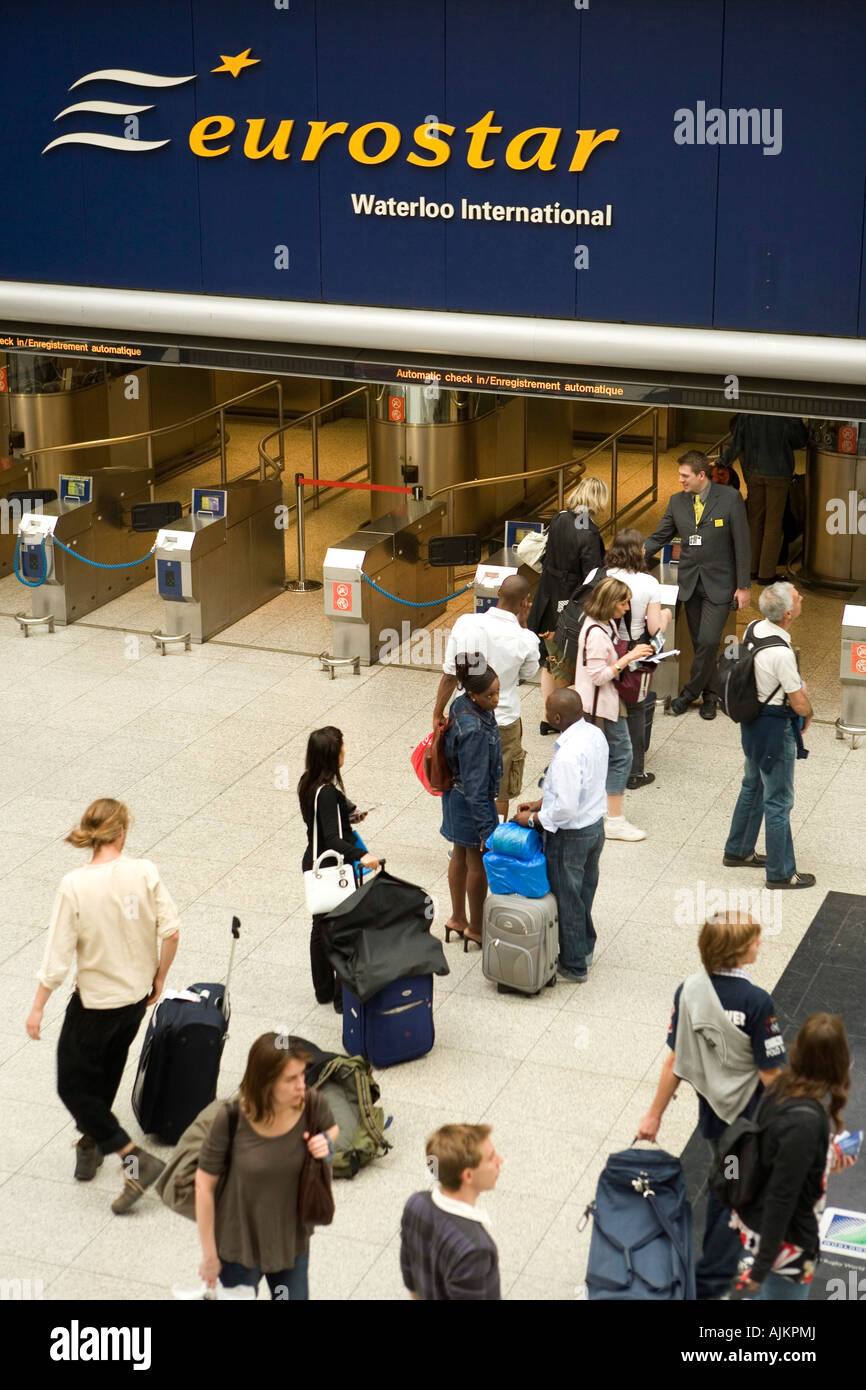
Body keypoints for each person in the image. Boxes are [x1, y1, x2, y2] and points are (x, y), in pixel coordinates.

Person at [25, 798, 180, 1213]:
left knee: (72, 1085)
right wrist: (159, 979)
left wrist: (38, 1005)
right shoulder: (144, 872)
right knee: (107, 1071)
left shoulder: (75, 885)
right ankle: (92, 1141)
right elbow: (172, 931)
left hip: (93, 1005)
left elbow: (57, 958)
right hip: (134, 1001)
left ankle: (134, 1160)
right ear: (123, 832)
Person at [637, 913, 786, 1300]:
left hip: (713, 1116)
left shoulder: (688, 992)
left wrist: (654, 1114)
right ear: (737, 950)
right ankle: (713, 1278)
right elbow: (771, 1075)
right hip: (746, 1122)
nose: (759, 945)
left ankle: (722, 1258)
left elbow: (675, 1059)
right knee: (734, 1193)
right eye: (754, 940)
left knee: (728, 1181)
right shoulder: (757, 1003)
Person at [196, 1033, 338, 1301]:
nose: (301, 1085)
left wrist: (326, 1141)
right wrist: (209, 1255)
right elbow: (203, 1186)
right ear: (265, 1082)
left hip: (291, 1241)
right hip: (239, 1247)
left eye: (302, 1075)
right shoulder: (231, 1119)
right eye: (291, 1079)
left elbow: (332, 1127)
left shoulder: (311, 1104)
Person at [730, 1013, 856, 1301]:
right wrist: (762, 1266)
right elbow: (782, 1196)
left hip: (756, 1220)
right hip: (785, 1241)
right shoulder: (809, 1123)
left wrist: (825, 1160)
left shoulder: (779, 1088)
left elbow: (771, 1157)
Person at [645, 450, 751, 720]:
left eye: (685, 476)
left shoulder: (730, 499)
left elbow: (742, 544)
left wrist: (744, 586)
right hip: (690, 583)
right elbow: (659, 536)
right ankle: (711, 696)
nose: (680, 480)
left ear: (701, 475)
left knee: (708, 640)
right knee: (699, 644)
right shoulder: (677, 502)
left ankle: (689, 693)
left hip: (721, 584)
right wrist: (627, 557)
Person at [723, 582, 815, 889]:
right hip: (775, 730)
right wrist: (808, 709)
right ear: (788, 613)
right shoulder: (781, 653)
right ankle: (780, 872)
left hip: (752, 724)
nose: (801, 597)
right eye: (797, 596)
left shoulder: (753, 628)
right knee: (779, 800)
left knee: (752, 785)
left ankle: (738, 849)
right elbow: (799, 703)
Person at [513, 687, 608, 982]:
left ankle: (573, 963)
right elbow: (581, 787)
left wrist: (533, 819)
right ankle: (585, 948)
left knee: (567, 899)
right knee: (583, 893)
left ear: (556, 717)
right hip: (594, 827)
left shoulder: (567, 754)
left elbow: (565, 809)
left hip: (570, 836)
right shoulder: (594, 735)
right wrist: (541, 801)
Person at [433, 573, 539, 818]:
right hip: (505, 718)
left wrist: (438, 712)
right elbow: (527, 673)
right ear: (525, 602)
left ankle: (464, 835)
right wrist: (523, 626)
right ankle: (493, 839)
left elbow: (450, 675)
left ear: (498, 593)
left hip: (464, 715)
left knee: (465, 776)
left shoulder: (466, 623)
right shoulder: (526, 639)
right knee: (500, 786)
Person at [299, 727, 380, 1012]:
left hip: (314, 860)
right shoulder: (329, 793)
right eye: (341, 749)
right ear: (332, 756)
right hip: (333, 867)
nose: (345, 752)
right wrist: (362, 855)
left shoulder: (306, 783)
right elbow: (332, 837)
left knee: (320, 928)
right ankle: (340, 997)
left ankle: (322, 989)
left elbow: (321, 823)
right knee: (343, 930)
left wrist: (349, 817)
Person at [571, 575, 654, 841]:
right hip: (601, 705)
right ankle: (614, 819)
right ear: (610, 603)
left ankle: (599, 809)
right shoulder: (596, 632)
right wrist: (628, 658)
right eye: (624, 603)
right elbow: (597, 675)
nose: (627, 609)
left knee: (609, 756)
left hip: (606, 701)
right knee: (622, 756)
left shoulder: (604, 624)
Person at [527, 476, 609, 735]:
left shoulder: (559, 518)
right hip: (570, 602)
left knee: (549, 658)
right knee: (565, 661)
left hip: (547, 596)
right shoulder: (589, 532)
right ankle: (563, 716)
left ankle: (547, 716)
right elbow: (592, 576)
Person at [603, 527, 673, 789]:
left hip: (604, 646)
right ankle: (634, 772)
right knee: (635, 707)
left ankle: (604, 761)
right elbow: (654, 629)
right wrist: (665, 618)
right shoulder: (649, 583)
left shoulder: (601, 575)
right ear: (638, 552)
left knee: (602, 701)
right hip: (635, 650)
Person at [400, 1124, 502, 1300]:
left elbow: (410, 1274)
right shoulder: (475, 1250)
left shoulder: (416, 1204)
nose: (499, 1160)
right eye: (491, 1158)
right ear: (468, 1175)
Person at [440, 656, 502, 947]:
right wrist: (486, 829)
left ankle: (457, 918)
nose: (497, 699)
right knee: (477, 860)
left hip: (454, 795)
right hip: (471, 800)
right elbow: (477, 785)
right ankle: (476, 928)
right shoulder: (475, 730)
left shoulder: (460, 704)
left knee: (459, 855)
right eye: (490, 695)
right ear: (474, 693)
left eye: (497, 692)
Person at [720, 413, 808, 584]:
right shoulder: (787, 410)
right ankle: (766, 573)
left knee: (755, 520)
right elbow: (799, 440)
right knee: (773, 523)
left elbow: (736, 441)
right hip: (778, 472)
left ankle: (751, 569)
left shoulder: (752, 408)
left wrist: (722, 462)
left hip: (753, 470)